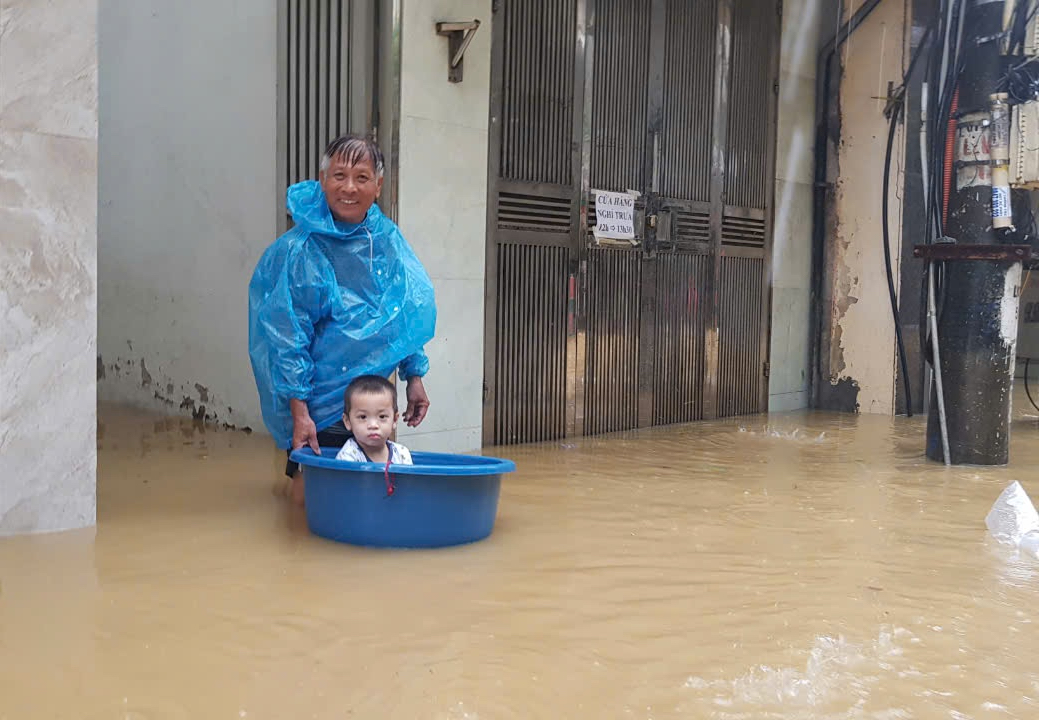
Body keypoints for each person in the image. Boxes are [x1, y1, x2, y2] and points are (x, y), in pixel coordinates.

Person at [248, 134, 435, 504]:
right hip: (319, 402)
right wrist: (300, 412)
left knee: (376, 486)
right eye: (339, 175)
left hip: (371, 399)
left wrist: (415, 376)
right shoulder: (301, 249)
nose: (349, 188)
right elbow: (288, 338)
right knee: (309, 498)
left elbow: (404, 310)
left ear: (378, 186)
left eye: (362, 177)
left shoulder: (385, 240)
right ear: (323, 180)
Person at [334, 375, 413, 465]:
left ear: (394, 420)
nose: (373, 425)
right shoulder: (348, 456)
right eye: (363, 417)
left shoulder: (401, 454)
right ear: (347, 421)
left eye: (382, 417)